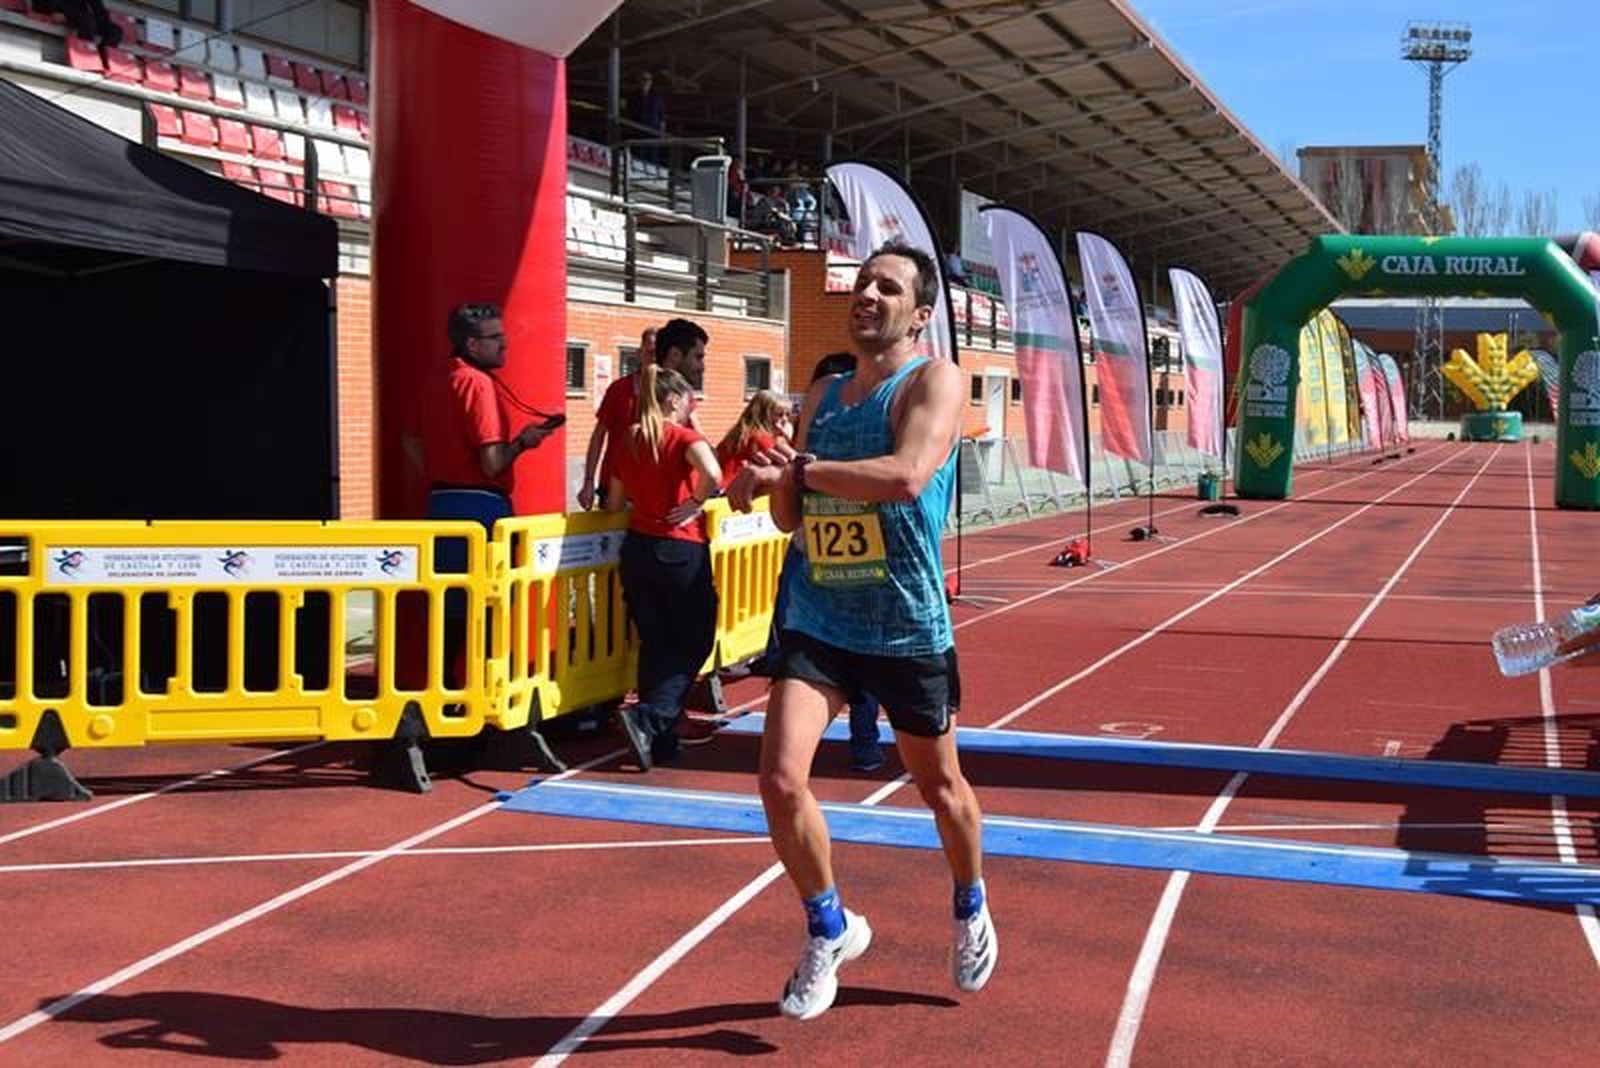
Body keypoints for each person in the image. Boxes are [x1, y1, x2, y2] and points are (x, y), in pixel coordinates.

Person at [728, 241, 995, 1020]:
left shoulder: (933, 382)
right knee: (779, 779)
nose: (868, 295)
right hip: (820, 614)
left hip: (904, 623)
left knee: (940, 789)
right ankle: (828, 927)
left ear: (919, 313)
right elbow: (789, 519)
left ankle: (971, 903)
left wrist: (800, 471)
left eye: (888, 287)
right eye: (862, 283)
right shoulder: (826, 392)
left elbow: (908, 474)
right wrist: (778, 475)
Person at [760, 353, 885, 774]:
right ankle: (792, 751)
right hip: (804, 559)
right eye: (825, 393)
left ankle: (865, 742)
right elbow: (786, 517)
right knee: (793, 654)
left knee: (863, 660)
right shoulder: (802, 441)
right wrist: (780, 478)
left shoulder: (867, 437)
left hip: (861, 566)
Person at [604, 365, 721, 769]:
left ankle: (661, 738)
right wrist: (694, 503)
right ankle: (649, 718)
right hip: (680, 549)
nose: (693, 406)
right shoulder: (684, 437)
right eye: (690, 398)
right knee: (695, 640)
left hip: (638, 547)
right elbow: (714, 472)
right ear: (674, 400)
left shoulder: (627, 439)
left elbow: (614, 502)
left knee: (656, 643)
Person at [404, 302, 557, 531]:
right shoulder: (477, 383)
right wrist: (522, 442)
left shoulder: (437, 378)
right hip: (481, 506)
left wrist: (440, 471)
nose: (504, 344)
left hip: (440, 502)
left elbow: (409, 440)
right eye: (495, 337)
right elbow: (492, 464)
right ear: (472, 344)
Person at [578, 320, 707, 511]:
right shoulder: (620, 389)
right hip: (616, 486)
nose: (654, 358)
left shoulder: (678, 392)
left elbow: (696, 431)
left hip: (654, 490)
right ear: (639, 354)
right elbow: (598, 435)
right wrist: (589, 480)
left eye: (657, 353)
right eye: (649, 352)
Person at [716, 389, 791, 489]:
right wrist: (786, 437)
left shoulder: (743, 431)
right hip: (732, 491)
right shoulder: (760, 437)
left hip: (719, 488)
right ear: (764, 415)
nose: (785, 420)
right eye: (780, 415)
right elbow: (788, 464)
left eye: (787, 415)